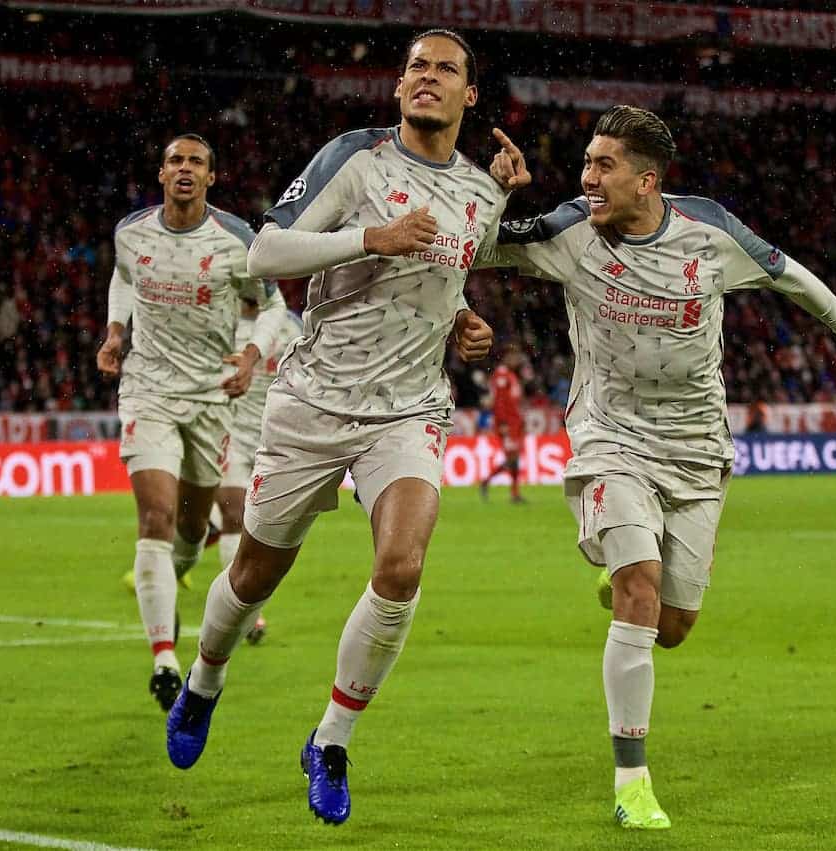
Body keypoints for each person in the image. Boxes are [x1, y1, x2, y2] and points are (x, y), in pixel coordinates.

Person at [476, 105, 836, 829]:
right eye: (586, 162)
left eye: (603, 165)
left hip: (696, 446)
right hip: (608, 435)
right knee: (640, 589)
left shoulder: (709, 231)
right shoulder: (569, 231)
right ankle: (632, 779)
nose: (587, 176)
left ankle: (622, 580)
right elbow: (477, 248)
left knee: (671, 624)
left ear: (648, 180)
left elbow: (785, 272)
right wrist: (496, 194)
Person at [164, 29, 514, 826]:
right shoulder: (354, 158)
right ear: (398, 88)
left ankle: (330, 740)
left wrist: (464, 321)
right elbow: (265, 254)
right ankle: (205, 678)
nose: (427, 77)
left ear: (470, 96)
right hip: (315, 398)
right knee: (254, 574)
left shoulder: (479, 191)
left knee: (401, 567)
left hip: (410, 408)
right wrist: (371, 236)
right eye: (416, 67)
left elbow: (449, 273)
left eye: (445, 69)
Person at [96, 134, 287, 713]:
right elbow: (124, 277)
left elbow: (274, 306)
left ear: (211, 177)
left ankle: (174, 576)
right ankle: (163, 658)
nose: (184, 169)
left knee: (189, 528)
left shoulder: (236, 241)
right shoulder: (132, 232)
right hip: (148, 391)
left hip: (211, 398)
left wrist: (252, 355)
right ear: (160, 174)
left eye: (195, 162)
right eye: (175, 161)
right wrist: (115, 331)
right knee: (154, 516)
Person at [212, 298, 304, 644]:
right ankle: (243, 614)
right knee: (234, 515)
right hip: (230, 433)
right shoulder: (223, 322)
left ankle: (188, 545)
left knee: (266, 528)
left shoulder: (291, 325)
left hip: (275, 439)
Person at [480, 343, 527, 503]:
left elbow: (513, 401)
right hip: (506, 423)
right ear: (506, 357)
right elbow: (499, 402)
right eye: (513, 356)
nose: (516, 360)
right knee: (512, 459)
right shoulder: (501, 375)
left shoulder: (511, 375)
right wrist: (503, 423)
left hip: (514, 423)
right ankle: (487, 481)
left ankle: (514, 494)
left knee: (515, 458)